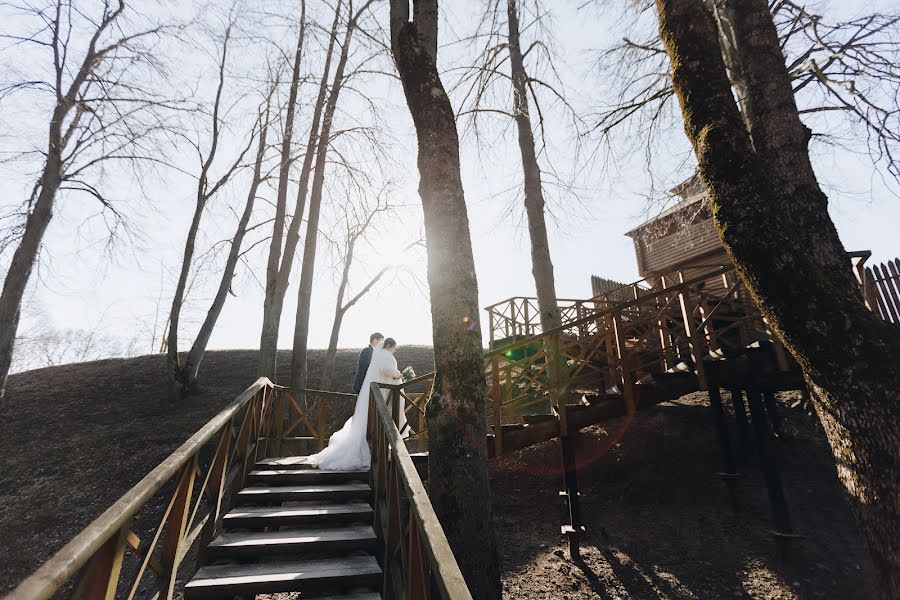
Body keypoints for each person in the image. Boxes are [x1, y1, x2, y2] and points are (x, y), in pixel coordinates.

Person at [305, 337, 404, 470]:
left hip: (382, 392)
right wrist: (399, 375)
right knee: (377, 420)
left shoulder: (379, 355)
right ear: (390, 345)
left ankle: (379, 447)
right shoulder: (385, 355)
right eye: (394, 347)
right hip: (382, 393)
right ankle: (376, 449)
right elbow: (387, 369)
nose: (395, 350)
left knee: (371, 421)